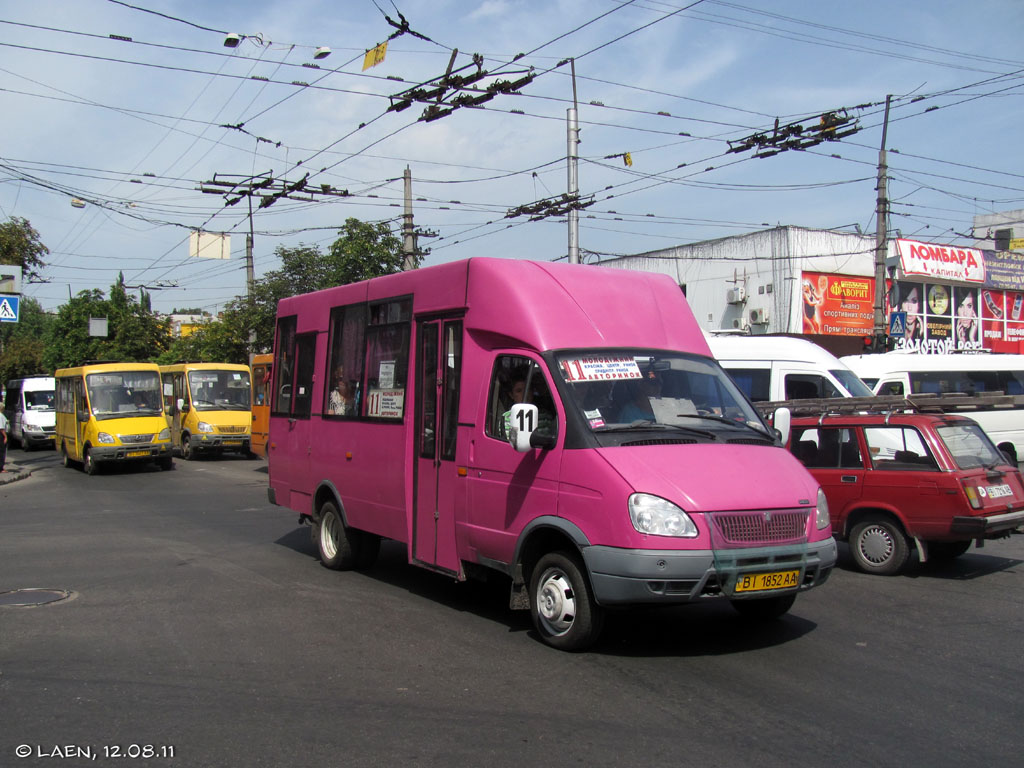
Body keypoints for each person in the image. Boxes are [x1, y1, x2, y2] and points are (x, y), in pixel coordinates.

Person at [0, 407, 8, 473]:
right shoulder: (1, 416)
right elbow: (1, 428)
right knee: (2, 452)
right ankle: (1, 468)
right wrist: (5, 436)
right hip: (1, 436)